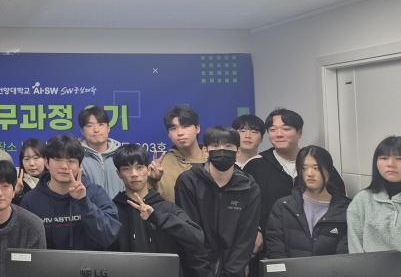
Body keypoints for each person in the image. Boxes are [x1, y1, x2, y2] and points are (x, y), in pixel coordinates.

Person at [175, 126, 260, 277]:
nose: (222, 151)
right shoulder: (189, 182)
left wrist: (231, 273)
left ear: (237, 151)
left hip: (233, 271)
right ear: (205, 151)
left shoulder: (249, 187)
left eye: (228, 146)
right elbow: (189, 234)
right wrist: (203, 273)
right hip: (196, 270)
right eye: (215, 146)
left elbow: (246, 238)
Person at [110, 143, 204, 276]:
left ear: (148, 170)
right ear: (118, 174)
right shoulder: (112, 210)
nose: (134, 174)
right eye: (126, 169)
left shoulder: (166, 207)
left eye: (139, 167)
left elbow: (196, 238)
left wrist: (157, 217)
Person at [20, 135, 120, 250]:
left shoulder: (96, 193)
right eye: (57, 159)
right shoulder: (31, 200)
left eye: (71, 161)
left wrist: (84, 202)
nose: (64, 166)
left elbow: (109, 236)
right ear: (47, 163)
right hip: (46, 262)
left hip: (89, 261)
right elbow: (24, 245)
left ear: (80, 165)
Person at [264, 145, 350, 258]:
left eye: (316, 168)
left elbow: (343, 255)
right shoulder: (283, 207)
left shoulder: (345, 209)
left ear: (329, 171)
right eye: (304, 168)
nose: (309, 173)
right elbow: (275, 250)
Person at [347, 135, 401, 276]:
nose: (390, 164)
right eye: (384, 158)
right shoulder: (362, 200)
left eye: (400, 158)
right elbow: (355, 251)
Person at [243, 108, 305, 257]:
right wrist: (255, 230)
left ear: (300, 132)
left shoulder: (315, 163)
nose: (278, 134)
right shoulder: (255, 165)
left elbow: (335, 200)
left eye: (286, 129)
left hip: (309, 246)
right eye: (272, 130)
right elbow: (243, 206)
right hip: (268, 246)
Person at [150, 105, 207, 203]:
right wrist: (152, 181)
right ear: (169, 134)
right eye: (173, 128)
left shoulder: (214, 158)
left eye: (185, 126)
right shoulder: (162, 166)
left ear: (197, 128)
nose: (180, 133)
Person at [79, 106, 125, 197]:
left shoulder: (122, 154)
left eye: (101, 124)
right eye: (90, 126)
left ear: (108, 128)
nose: (96, 130)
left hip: (121, 205)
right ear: (82, 131)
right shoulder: (76, 157)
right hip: (88, 206)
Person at [12, 138, 44, 205]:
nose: (31, 163)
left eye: (36, 158)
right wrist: (17, 193)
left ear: (46, 159)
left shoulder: (54, 180)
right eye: (26, 159)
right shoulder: (16, 181)